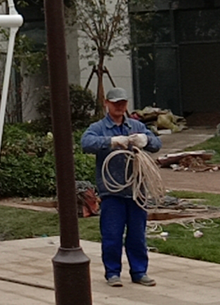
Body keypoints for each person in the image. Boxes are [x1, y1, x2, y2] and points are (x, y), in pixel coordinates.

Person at [81, 87, 161, 288]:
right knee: (112, 235)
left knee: (137, 236)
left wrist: (146, 140)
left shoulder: (136, 126)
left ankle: (139, 272)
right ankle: (113, 273)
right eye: (115, 103)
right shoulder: (99, 128)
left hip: (136, 191)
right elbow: (86, 143)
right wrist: (110, 142)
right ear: (106, 103)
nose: (119, 106)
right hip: (111, 192)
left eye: (122, 103)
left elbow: (156, 144)